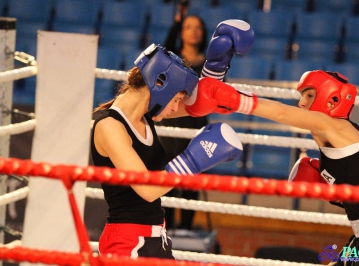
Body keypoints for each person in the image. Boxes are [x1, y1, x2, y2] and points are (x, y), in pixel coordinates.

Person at [184, 70, 359, 265]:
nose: (302, 104)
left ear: (332, 99)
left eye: (309, 96)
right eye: (301, 97)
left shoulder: (335, 126)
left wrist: (234, 100)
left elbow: (282, 113)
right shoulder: (344, 137)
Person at [90, 43, 244, 259]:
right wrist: (193, 161)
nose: (174, 108)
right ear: (160, 86)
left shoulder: (145, 115)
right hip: (127, 244)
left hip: (156, 238)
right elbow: (147, 188)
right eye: (176, 99)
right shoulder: (110, 126)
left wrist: (215, 69)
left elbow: (203, 104)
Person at [158, 1, 209, 231]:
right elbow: (163, 50)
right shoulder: (173, 59)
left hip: (195, 127)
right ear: (181, 32)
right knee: (168, 181)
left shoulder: (211, 64)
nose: (193, 31)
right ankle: (166, 232)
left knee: (190, 184)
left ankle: (186, 232)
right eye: (188, 27)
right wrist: (177, 21)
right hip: (171, 127)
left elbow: (217, 94)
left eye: (197, 27)